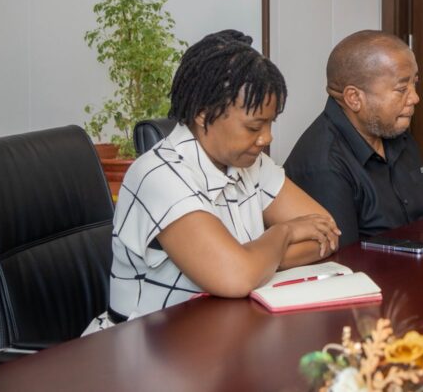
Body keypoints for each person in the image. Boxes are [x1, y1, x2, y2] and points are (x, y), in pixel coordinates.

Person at [85, 30, 340, 333]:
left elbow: (325, 233)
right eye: (254, 126)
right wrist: (283, 233)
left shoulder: (249, 162)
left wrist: (256, 261)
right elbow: (235, 277)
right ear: (203, 115)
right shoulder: (159, 175)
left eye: (271, 123)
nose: (267, 138)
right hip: (143, 347)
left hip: (224, 334)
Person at [284, 30, 423, 246]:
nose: (415, 97)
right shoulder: (324, 164)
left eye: (415, 84)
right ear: (354, 98)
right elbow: (343, 261)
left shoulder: (396, 132)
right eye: (402, 89)